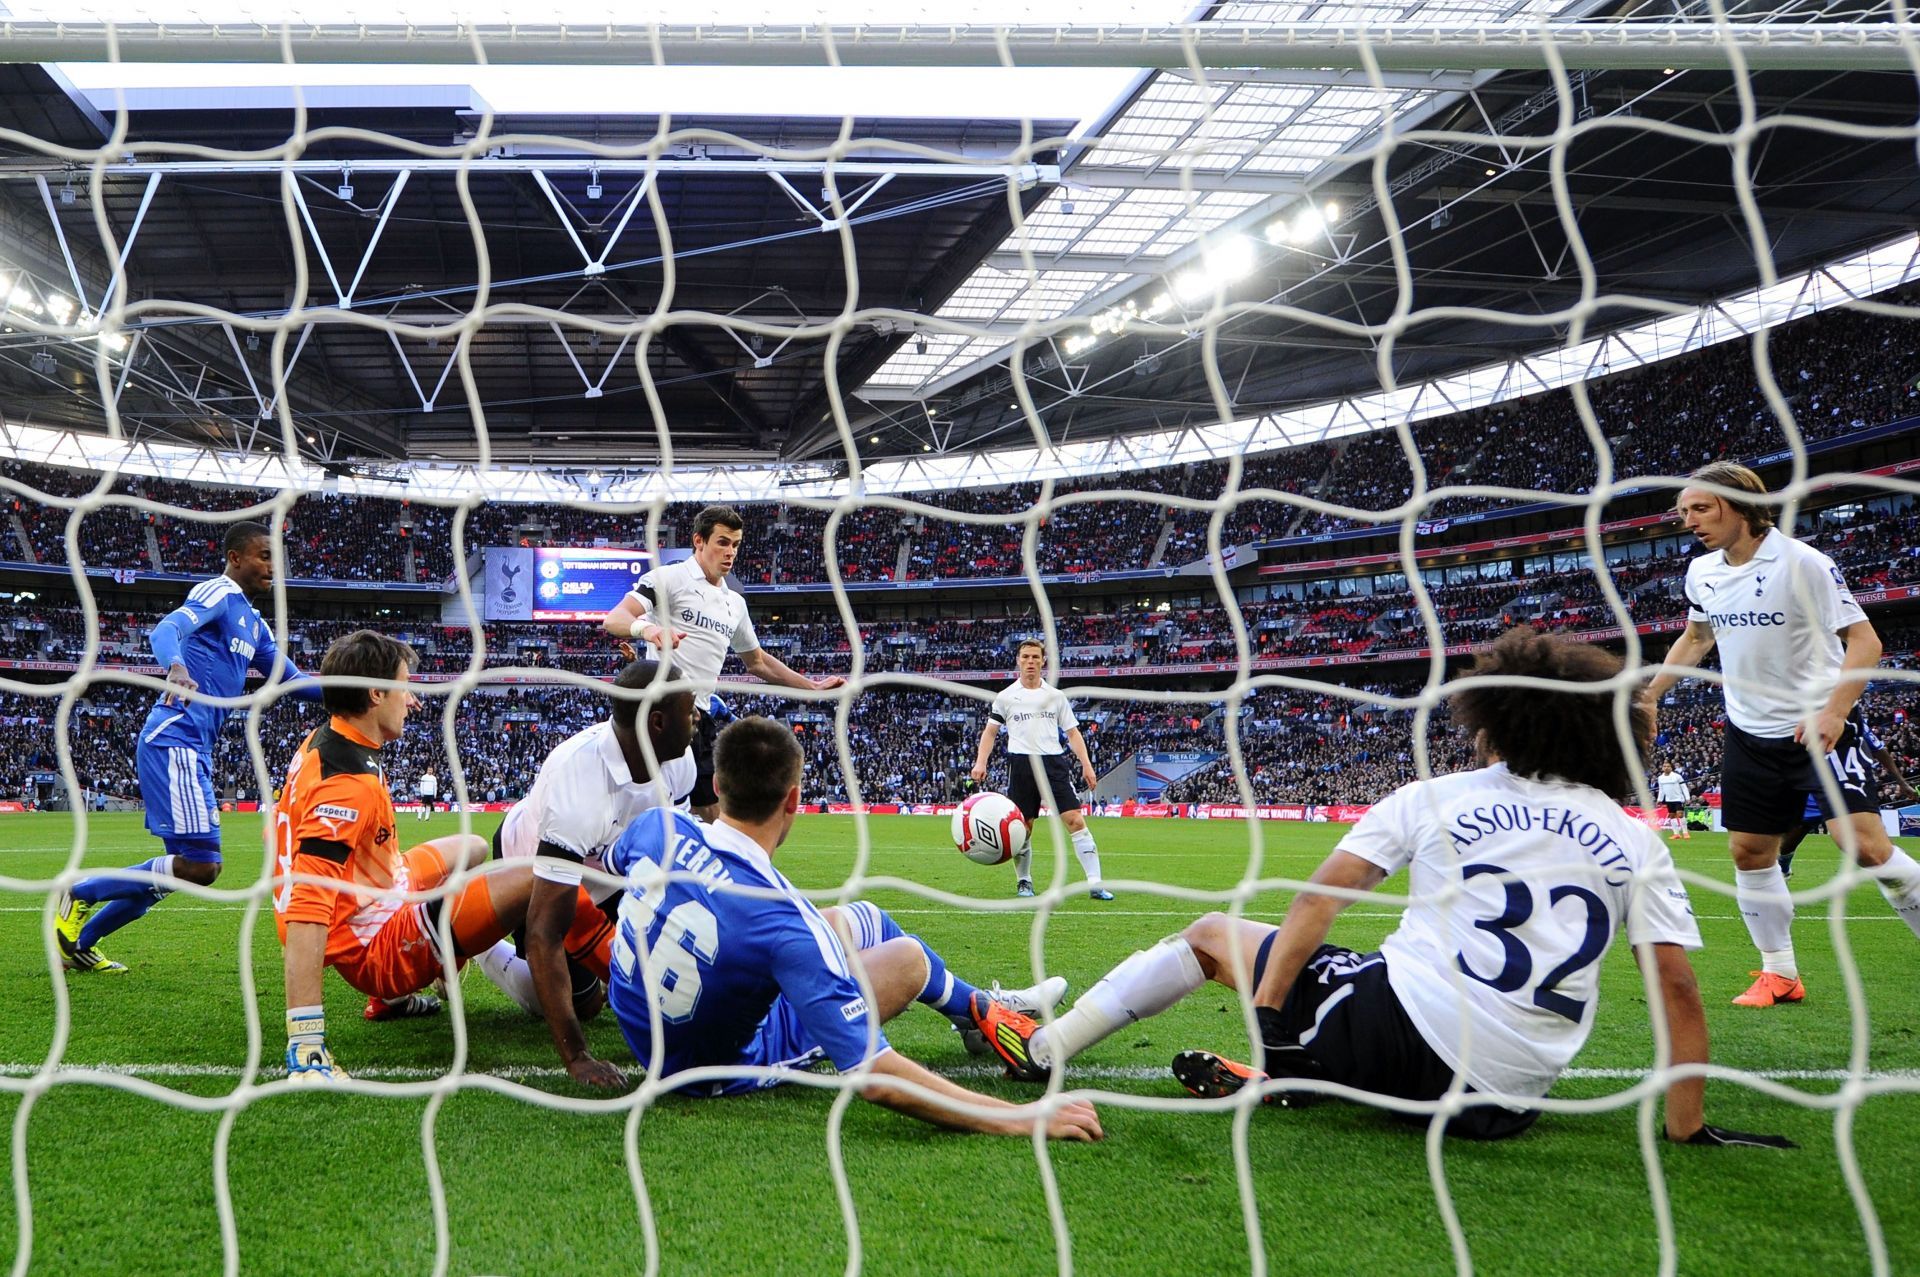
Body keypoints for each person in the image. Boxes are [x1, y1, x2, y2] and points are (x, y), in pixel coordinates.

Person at [973, 628, 1794, 1148]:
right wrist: (1688, 1128)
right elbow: (1678, 989)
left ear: (1499, 718)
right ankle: (1307, 1071)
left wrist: (1269, 1017)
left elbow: (1315, 901)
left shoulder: (1437, 797)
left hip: (1402, 1033)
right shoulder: (1632, 836)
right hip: (1506, 1102)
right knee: (1369, 974)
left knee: (1213, 933)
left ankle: (1044, 1051)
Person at [604, 716, 1096, 1140]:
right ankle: (978, 1012)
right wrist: (1020, 1118)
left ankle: (977, 1011)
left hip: (645, 1018)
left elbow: (599, 877)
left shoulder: (657, 826)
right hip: (707, 1067)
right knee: (908, 960)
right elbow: (875, 1076)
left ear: (717, 785)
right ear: (793, 798)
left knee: (855, 917)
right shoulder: (784, 921)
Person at [1648, 462, 1920, 1007]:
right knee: (1749, 853)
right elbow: (1696, 639)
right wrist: (1649, 696)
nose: (1688, 521)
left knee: (1864, 847)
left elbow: (1865, 642)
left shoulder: (1803, 563)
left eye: (1700, 508)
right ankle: (1780, 974)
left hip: (1817, 727)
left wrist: (1836, 712)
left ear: (1739, 502)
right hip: (1748, 732)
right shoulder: (1702, 572)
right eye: (1683, 511)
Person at [55, 521, 322, 974]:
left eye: (275, 557)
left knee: (182, 872)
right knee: (202, 866)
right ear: (235, 557)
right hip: (175, 739)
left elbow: (294, 682)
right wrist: (176, 667)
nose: (271, 566)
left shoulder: (254, 625)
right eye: (262, 555)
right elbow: (166, 630)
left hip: (193, 747)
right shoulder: (217, 593)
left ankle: (80, 942)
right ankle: (80, 891)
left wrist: (362, 690)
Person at [273, 630, 536, 1080]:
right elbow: (308, 904)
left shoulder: (332, 738)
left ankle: (409, 990)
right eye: (405, 686)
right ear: (376, 694)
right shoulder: (347, 784)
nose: (412, 700)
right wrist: (306, 1039)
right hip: (377, 945)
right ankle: (401, 985)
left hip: (384, 888)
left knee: (473, 848)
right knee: (533, 875)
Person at [473, 658, 699, 1088]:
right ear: (657, 722)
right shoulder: (579, 784)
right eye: (689, 710)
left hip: (610, 867)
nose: (698, 718)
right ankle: (485, 950)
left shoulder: (680, 762)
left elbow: (672, 857)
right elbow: (544, 934)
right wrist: (577, 1057)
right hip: (534, 865)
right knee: (576, 1004)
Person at [601, 505, 843, 821]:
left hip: (698, 717)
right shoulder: (670, 578)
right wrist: (650, 629)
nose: (730, 552)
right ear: (699, 541)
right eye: (722, 542)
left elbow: (757, 662)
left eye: (736, 545)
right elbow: (615, 619)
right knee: (649, 811)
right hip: (660, 714)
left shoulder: (735, 604)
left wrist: (812, 686)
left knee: (712, 813)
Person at [970, 639, 1110, 900]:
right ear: (1018, 660)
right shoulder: (1006, 697)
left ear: (1043, 661)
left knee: (1076, 821)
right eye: (1026, 657)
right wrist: (981, 762)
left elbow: (1073, 733)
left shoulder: (1055, 697)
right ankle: (1024, 881)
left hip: (1053, 764)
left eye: (1035, 657)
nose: (1030, 662)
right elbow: (990, 733)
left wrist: (1087, 766)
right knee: (1023, 827)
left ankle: (1095, 883)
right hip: (1022, 765)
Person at [1778, 715, 1920, 879]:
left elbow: (1878, 749)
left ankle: (1905, 879)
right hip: (1812, 789)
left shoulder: (1852, 717)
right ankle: (1783, 871)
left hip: (1847, 787)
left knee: (1869, 845)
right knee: (1790, 839)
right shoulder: (1793, 718)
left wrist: (1901, 782)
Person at [1654, 762, 1692, 841]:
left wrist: (1687, 798)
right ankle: (1676, 834)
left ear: (1671, 768)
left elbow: (1684, 787)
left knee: (1680, 814)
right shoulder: (1660, 778)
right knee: (1672, 816)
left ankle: (1685, 833)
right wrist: (1659, 800)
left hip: (1678, 799)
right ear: (1662, 768)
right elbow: (1661, 790)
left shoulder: (1677, 776)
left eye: (1668, 766)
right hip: (1669, 800)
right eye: (1664, 766)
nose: (1666, 768)